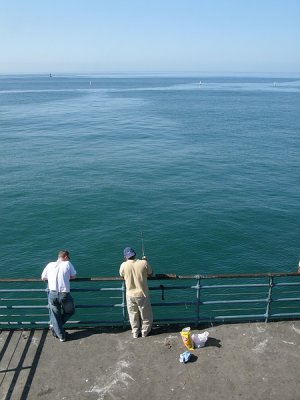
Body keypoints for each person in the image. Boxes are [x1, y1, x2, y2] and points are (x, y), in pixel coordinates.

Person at [41, 250, 77, 342]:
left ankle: (60, 334)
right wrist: (65, 277)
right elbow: (74, 276)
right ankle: (56, 327)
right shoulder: (67, 264)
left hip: (52, 294)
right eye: (68, 257)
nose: (68, 259)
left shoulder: (49, 265)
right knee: (70, 311)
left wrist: (52, 278)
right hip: (64, 294)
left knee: (55, 315)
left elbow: (43, 277)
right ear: (65, 257)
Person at [119, 246, 153, 338]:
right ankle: (145, 332)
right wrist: (145, 260)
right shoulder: (143, 263)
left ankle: (135, 332)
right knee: (145, 314)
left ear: (125, 257)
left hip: (130, 295)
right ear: (134, 254)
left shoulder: (123, 265)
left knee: (132, 314)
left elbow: (121, 274)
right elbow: (151, 273)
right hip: (142, 294)